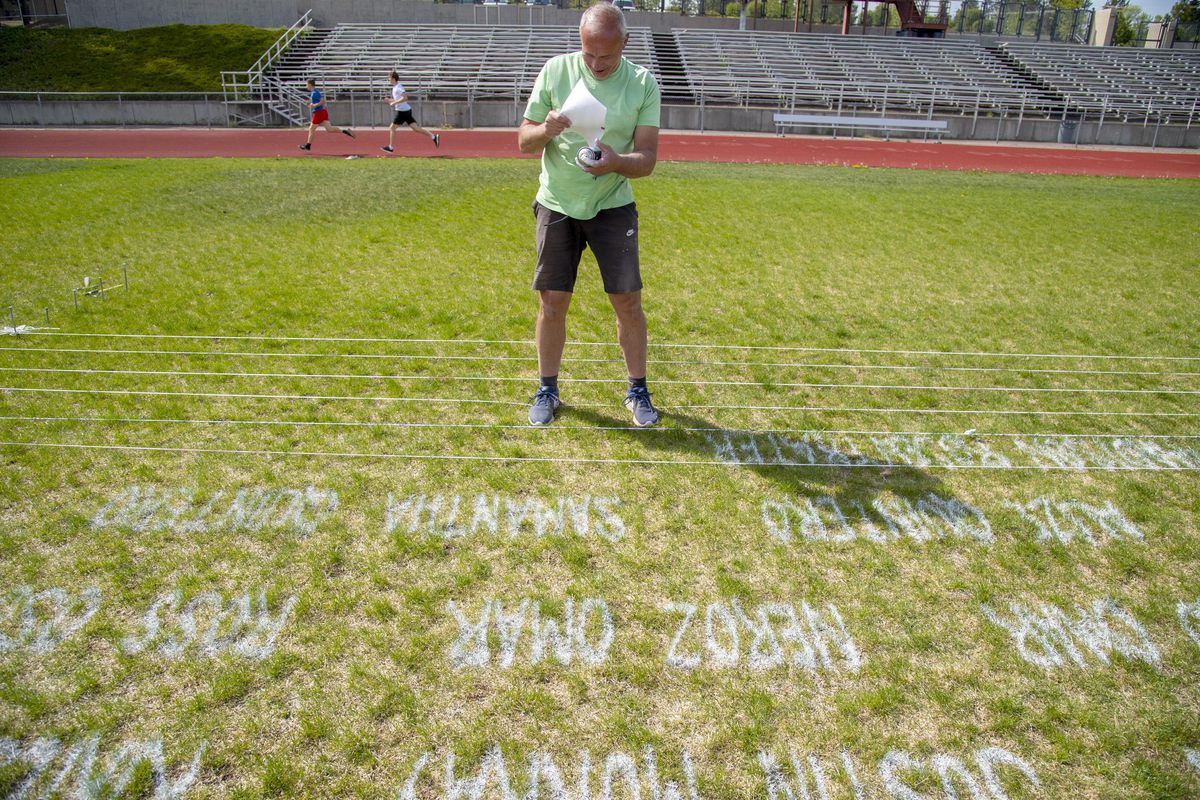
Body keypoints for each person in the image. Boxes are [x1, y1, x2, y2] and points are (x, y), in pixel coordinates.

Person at [517, 2, 661, 427]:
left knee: (627, 301)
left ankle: (638, 390)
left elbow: (648, 159)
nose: (597, 64)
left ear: (626, 45)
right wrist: (547, 129)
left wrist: (616, 161)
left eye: (607, 56)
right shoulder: (555, 71)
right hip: (557, 203)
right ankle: (547, 388)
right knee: (552, 301)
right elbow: (524, 140)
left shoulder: (642, 83)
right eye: (589, 54)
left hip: (613, 204)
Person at [381, 71, 440, 153]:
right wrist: (389, 100)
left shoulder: (398, 87)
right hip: (406, 110)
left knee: (392, 128)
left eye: (389, 78)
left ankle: (390, 147)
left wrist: (394, 103)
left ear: (393, 79)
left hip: (402, 112)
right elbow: (399, 99)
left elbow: (405, 98)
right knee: (416, 129)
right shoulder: (395, 87)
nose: (388, 80)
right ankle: (433, 136)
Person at [298, 78, 355, 151]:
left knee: (311, 129)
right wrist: (310, 103)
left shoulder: (314, 93)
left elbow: (323, 101)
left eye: (306, 85)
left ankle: (308, 146)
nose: (306, 86)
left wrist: (314, 105)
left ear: (310, 85)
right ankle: (345, 131)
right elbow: (319, 101)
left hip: (318, 113)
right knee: (329, 129)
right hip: (322, 112)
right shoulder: (315, 92)